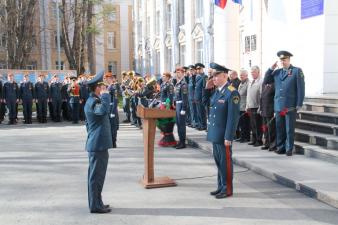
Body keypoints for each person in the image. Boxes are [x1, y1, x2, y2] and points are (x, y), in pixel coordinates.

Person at [204, 62, 240, 199]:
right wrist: (206, 90)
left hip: (223, 135)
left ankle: (227, 189)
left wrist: (228, 137)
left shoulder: (232, 93)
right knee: (219, 162)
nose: (213, 79)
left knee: (225, 163)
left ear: (225, 76)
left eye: (216, 76)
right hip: (215, 134)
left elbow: (232, 118)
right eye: (213, 76)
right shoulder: (217, 92)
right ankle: (220, 186)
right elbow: (204, 103)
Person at [264, 50, 305, 156]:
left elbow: (301, 88)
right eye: (281, 60)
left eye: (285, 60)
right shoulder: (277, 72)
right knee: (279, 128)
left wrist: (299, 103)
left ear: (289, 60)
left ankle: (289, 148)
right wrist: (271, 68)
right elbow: (266, 81)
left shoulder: (296, 71)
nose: (283, 62)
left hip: (290, 106)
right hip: (278, 105)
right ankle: (281, 147)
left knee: (289, 129)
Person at [84, 70, 112, 214]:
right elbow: (103, 111)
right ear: (97, 87)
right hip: (97, 145)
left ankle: (97, 202)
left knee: (97, 177)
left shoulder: (93, 100)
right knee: (96, 178)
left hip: (97, 144)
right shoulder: (93, 102)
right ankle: (95, 206)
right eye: (102, 86)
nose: (104, 88)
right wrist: (106, 96)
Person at [246, 66, 263, 147]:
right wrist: (247, 105)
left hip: (256, 106)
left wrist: (260, 106)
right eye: (251, 72)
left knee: (257, 125)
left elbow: (261, 95)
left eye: (254, 72)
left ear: (258, 72)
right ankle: (254, 139)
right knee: (252, 124)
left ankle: (259, 140)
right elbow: (248, 94)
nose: (252, 74)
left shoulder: (261, 81)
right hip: (250, 106)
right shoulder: (251, 81)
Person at [174, 67, 188, 149]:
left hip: (181, 105)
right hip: (178, 105)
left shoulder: (183, 84)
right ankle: (180, 141)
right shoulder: (178, 83)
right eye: (176, 72)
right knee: (179, 125)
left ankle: (182, 143)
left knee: (182, 125)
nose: (177, 74)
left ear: (183, 73)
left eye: (179, 72)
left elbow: (185, 98)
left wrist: (183, 108)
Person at [260, 80, 276, 151]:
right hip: (264, 110)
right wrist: (260, 108)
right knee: (265, 129)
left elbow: (275, 98)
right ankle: (267, 144)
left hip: (270, 110)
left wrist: (275, 110)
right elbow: (261, 97)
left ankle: (272, 145)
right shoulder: (264, 84)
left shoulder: (274, 84)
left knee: (271, 129)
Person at [236, 69, 251, 142]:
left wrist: (247, 106)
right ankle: (242, 136)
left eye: (242, 75)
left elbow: (248, 95)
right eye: (240, 75)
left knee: (245, 123)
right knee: (241, 123)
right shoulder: (241, 83)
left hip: (245, 106)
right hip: (240, 106)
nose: (241, 76)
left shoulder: (248, 83)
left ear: (246, 75)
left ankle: (246, 137)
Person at [105, 73, 119, 148]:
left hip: (112, 109)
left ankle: (113, 142)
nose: (106, 80)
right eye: (106, 78)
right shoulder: (106, 87)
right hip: (107, 109)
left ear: (111, 79)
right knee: (108, 126)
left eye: (108, 78)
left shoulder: (114, 87)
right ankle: (109, 142)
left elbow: (115, 100)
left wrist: (113, 111)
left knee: (113, 127)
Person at [194, 63, 208, 130]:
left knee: (202, 112)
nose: (198, 70)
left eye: (199, 69)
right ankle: (200, 124)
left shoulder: (204, 77)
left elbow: (204, 88)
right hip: (197, 97)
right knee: (198, 112)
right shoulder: (197, 77)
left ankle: (203, 125)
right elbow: (196, 88)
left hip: (201, 97)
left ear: (202, 69)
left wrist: (203, 98)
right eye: (197, 69)